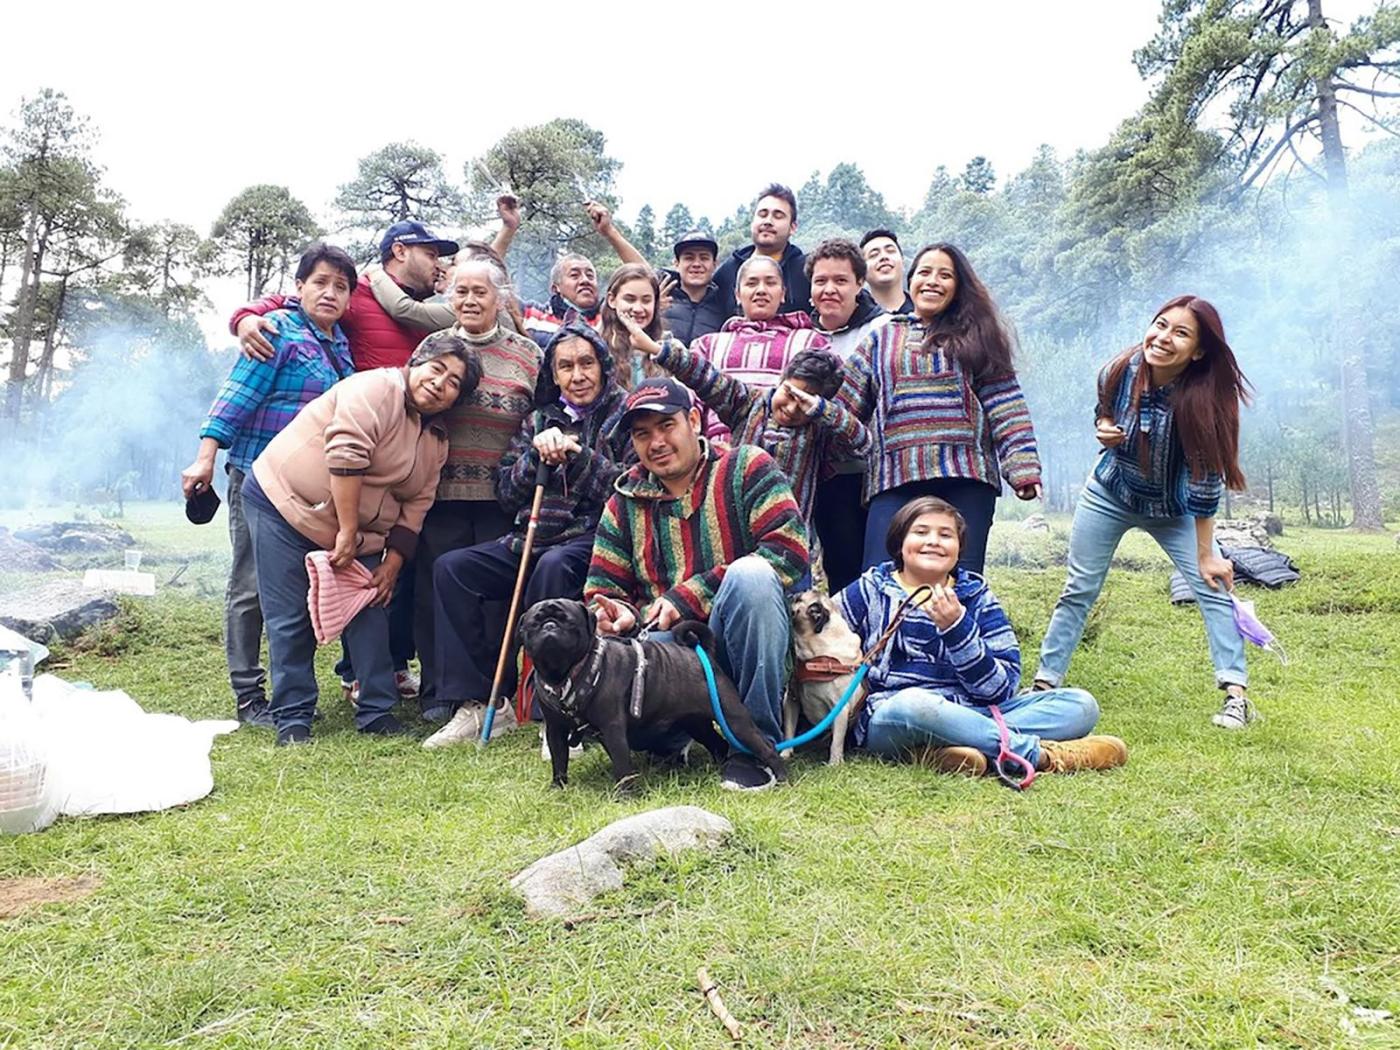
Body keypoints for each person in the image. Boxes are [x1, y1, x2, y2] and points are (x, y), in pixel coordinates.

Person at [228, 220, 463, 702]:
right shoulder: (360, 296)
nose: (437, 261)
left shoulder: (430, 313)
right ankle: (254, 693)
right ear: (400, 250)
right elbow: (301, 298)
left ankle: (373, 681)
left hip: (373, 460)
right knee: (263, 591)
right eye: (429, 251)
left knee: (370, 587)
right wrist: (246, 316)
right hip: (279, 467)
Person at [240, 332, 481, 745]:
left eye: (453, 382)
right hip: (284, 504)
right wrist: (347, 532)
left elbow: (418, 503)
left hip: (358, 532)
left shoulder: (437, 440)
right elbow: (346, 455)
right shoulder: (375, 388)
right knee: (290, 616)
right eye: (436, 369)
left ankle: (377, 711)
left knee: (370, 610)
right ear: (415, 362)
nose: (440, 383)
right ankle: (293, 716)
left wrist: (393, 562)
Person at [1032, 296, 1256, 729]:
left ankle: (1236, 697)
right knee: (1079, 587)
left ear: (1199, 351)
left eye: (1181, 333)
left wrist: (1207, 555)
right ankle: (1043, 685)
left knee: (1213, 586)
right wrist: (1103, 429)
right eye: (1161, 324)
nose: (1164, 338)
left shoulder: (1205, 401)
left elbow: (1206, 481)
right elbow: (1103, 413)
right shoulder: (1117, 371)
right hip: (1110, 492)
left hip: (1174, 509)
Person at [585, 377, 810, 791]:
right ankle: (674, 737)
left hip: (746, 642)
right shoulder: (622, 502)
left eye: (666, 425)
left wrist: (689, 596)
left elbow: (789, 549)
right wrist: (615, 614)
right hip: (670, 657)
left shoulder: (747, 466)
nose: (656, 442)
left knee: (752, 576)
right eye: (642, 434)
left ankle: (755, 746)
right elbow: (603, 587)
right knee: (625, 665)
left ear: (693, 420)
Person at [424, 324, 631, 747]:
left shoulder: (623, 416)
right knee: (453, 569)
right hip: (530, 538)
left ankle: (553, 708)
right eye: (566, 367)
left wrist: (578, 457)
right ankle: (482, 700)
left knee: (553, 566)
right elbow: (505, 492)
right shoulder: (538, 418)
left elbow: (627, 489)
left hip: (592, 540)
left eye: (587, 363)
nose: (578, 376)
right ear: (553, 374)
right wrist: (535, 457)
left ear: (603, 367)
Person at [181, 243, 359, 729]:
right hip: (256, 480)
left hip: (307, 491)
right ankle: (248, 694)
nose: (330, 293)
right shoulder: (277, 331)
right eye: (320, 283)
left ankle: (292, 693)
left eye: (340, 286)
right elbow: (236, 396)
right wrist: (205, 457)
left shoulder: (341, 346)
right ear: (299, 287)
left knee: (293, 588)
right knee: (251, 587)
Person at [839, 496, 1128, 776]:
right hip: (893, 714)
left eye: (945, 535)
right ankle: (1037, 755)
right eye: (921, 532)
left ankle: (948, 750)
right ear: (899, 543)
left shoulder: (977, 597)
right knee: (912, 705)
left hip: (977, 710)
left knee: (1081, 705)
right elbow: (822, 629)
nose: (933, 541)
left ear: (959, 549)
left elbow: (1000, 690)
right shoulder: (870, 589)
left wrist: (957, 629)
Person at [838, 242, 1042, 575]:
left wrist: (1023, 468)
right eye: (925, 272)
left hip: (966, 476)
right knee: (880, 578)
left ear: (958, 287)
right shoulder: (880, 339)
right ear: (911, 281)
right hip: (893, 477)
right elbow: (845, 406)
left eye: (945, 275)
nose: (933, 281)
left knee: (960, 581)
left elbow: (1006, 405)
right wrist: (809, 414)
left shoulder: (979, 337)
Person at [627, 318, 867, 590]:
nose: (791, 408)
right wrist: (659, 350)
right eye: (789, 394)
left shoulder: (819, 431)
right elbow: (706, 377)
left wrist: (822, 410)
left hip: (789, 547)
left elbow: (861, 442)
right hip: (732, 541)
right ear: (781, 379)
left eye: (804, 403)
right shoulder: (747, 403)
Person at [412, 257, 542, 722]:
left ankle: (494, 691)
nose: (469, 300)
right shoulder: (433, 347)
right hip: (439, 493)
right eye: (461, 291)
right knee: (435, 594)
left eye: (479, 292)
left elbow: (541, 418)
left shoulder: (528, 354)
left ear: (499, 298)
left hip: (501, 496)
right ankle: (439, 693)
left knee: (494, 600)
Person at [806, 239, 891, 591]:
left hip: (873, 472)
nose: (830, 289)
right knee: (839, 570)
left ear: (860, 283)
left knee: (878, 567)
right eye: (821, 281)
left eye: (840, 280)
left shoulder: (883, 330)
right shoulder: (802, 335)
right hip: (823, 473)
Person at [693, 255, 830, 443]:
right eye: (752, 283)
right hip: (720, 451)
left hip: (787, 452)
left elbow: (826, 406)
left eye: (770, 283)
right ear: (737, 295)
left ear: (783, 293)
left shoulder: (811, 342)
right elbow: (691, 405)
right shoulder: (708, 345)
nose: (761, 290)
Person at [490, 195, 649, 347]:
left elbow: (646, 280)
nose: (585, 280)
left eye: (590, 275)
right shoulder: (531, 315)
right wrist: (508, 229)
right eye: (574, 275)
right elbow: (484, 280)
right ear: (555, 288)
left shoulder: (610, 316)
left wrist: (610, 232)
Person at [712, 184, 810, 319]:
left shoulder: (806, 270)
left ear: (792, 227)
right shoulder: (729, 270)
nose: (768, 221)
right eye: (762, 214)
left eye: (778, 216)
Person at [598, 263, 666, 389]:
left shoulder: (667, 344)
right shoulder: (597, 345)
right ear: (612, 300)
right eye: (630, 299)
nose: (638, 308)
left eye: (646, 300)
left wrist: (656, 350)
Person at [661, 229, 727, 344]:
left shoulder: (724, 305)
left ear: (715, 264)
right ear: (676, 263)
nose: (696, 264)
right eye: (689, 258)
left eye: (704, 258)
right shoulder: (660, 299)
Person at [860, 229, 913, 314]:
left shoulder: (924, 312)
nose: (884, 257)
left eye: (890, 251)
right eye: (874, 255)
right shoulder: (852, 317)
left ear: (902, 260)